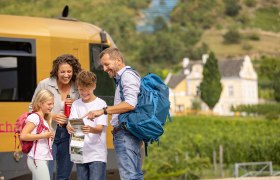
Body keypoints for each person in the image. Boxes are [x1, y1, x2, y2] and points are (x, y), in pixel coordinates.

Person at [85, 47, 144, 180]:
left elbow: (130, 104)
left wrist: (103, 110)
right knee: (134, 174)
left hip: (126, 134)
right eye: (103, 65)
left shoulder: (127, 76)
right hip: (127, 133)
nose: (104, 69)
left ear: (118, 60)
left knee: (129, 175)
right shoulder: (122, 78)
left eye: (107, 64)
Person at [30, 54, 82, 180]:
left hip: (71, 135)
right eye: (62, 71)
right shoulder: (45, 84)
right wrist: (51, 116)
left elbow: (82, 112)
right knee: (44, 175)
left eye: (69, 71)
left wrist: (71, 120)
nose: (66, 75)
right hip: (48, 134)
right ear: (56, 71)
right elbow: (32, 109)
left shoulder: (78, 86)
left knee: (64, 176)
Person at [66, 70, 108, 180]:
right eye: (81, 90)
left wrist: (89, 129)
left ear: (94, 86)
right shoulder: (76, 104)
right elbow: (71, 122)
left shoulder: (101, 104)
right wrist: (69, 127)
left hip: (96, 153)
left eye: (87, 90)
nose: (84, 93)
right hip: (79, 150)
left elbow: (99, 129)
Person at [21, 89, 54, 180]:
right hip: (37, 159)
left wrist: (49, 136)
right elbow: (23, 135)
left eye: (52, 104)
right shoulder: (35, 117)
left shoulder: (43, 118)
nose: (51, 106)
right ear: (40, 103)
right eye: (49, 104)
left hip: (40, 158)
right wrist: (44, 136)